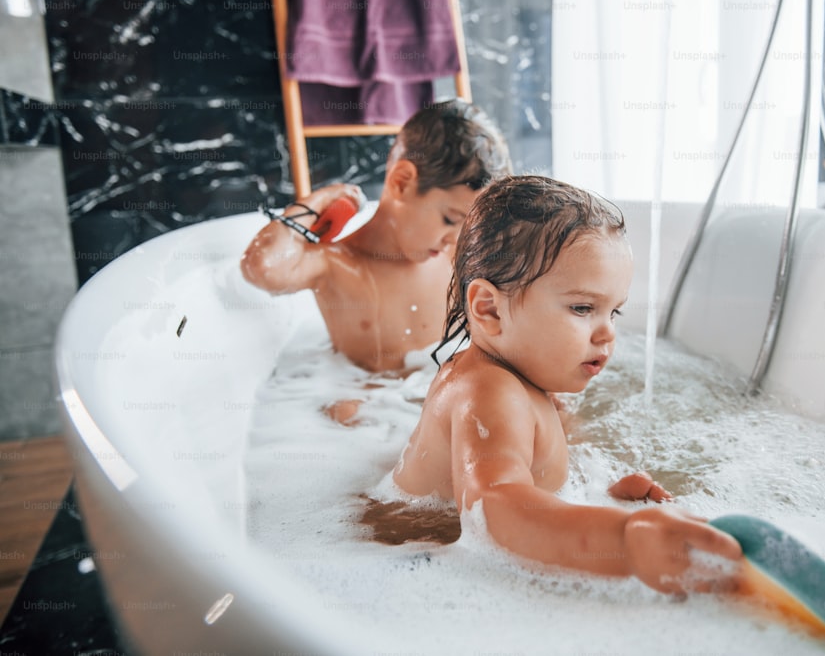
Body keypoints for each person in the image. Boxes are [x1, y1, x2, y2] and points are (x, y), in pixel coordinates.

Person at [392, 175, 742, 596]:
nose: (607, 334)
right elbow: (496, 512)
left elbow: (522, 488)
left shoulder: (518, 377)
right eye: (582, 307)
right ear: (489, 310)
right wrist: (627, 539)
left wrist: (601, 501)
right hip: (416, 571)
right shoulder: (488, 390)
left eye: (614, 312)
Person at [241, 98, 512, 377]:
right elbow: (263, 268)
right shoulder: (336, 264)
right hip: (375, 407)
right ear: (402, 182)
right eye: (450, 220)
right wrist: (319, 201)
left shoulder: (458, 260)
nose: (456, 240)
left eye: (468, 226)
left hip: (441, 402)